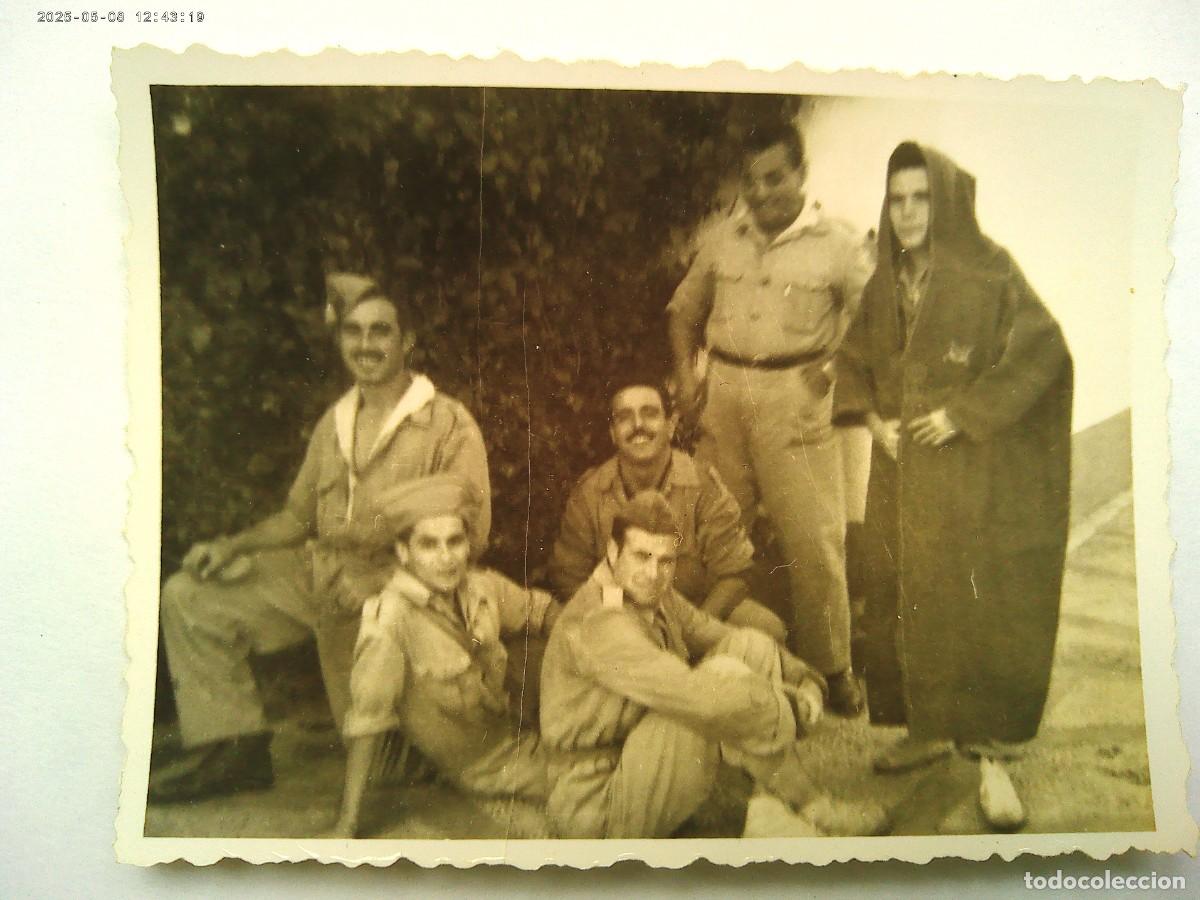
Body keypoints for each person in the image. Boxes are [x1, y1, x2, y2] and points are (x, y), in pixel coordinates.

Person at [149, 272, 491, 804]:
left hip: (394, 595)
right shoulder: (336, 421)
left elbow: (471, 535)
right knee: (190, 597)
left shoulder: (446, 423)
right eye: (353, 331)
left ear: (407, 342)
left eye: (380, 331)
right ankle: (232, 748)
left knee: (385, 766)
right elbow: (296, 517)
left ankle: (416, 741)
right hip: (322, 576)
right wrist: (232, 546)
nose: (365, 344)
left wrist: (380, 581)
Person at [839, 142, 1072, 829]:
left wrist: (962, 415)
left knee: (975, 603)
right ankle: (926, 729)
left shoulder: (990, 270)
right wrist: (874, 421)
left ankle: (991, 760)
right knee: (906, 592)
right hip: (902, 472)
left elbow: (1044, 351)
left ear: (946, 202)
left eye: (922, 198)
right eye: (897, 199)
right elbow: (853, 358)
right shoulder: (886, 279)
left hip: (972, 474)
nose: (908, 213)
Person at [667, 121, 874, 715]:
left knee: (814, 539)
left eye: (775, 178)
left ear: (802, 175)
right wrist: (686, 376)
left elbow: (875, 319)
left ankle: (832, 668)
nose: (760, 193)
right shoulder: (722, 240)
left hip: (796, 402)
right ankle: (698, 644)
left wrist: (830, 371)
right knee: (708, 530)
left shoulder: (838, 244)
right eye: (751, 181)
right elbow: (682, 311)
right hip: (725, 398)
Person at [539, 490, 886, 839]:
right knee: (718, 684)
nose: (653, 573)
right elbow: (695, 695)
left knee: (749, 647)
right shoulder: (600, 621)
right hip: (598, 799)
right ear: (614, 553)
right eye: (641, 556)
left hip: (639, 752)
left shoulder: (652, 594)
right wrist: (786, 705)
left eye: (665, 561)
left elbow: (717, 633)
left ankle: (771, 806)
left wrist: (801, 674)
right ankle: (803, 807)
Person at [327, 475, 559, 838]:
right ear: (403, 552)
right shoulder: (392, 619)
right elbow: (366, 722)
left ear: (468, 544)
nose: (446, 558)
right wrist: (347, 825)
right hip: (490, 764)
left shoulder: (479, 586)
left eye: (455, 541)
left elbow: (541, 610)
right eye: (428, 544)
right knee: (601, 785)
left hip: (528, 726)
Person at [548, 374, 785, 642]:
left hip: (697, 608)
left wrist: (691, 628)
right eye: (624, 417)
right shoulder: (590, 493)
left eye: (649, 413)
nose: (638, 425)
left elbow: (736, 571)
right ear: (613, 434)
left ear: (670, 426)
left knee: (767, 629)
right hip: (619, 613)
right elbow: (569, 579)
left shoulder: (702, 484)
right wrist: (621, 618)